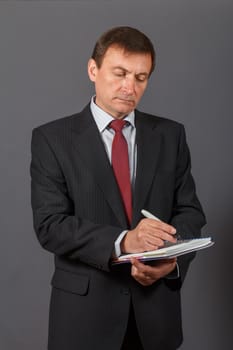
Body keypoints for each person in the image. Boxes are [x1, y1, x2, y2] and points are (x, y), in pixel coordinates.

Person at [30, 26, 206, 350]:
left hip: (155, 320)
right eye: (120, 73)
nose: (130, 87)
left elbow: (189, 210)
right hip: (83, 320)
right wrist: (125, 241)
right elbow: (50, 225)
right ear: (93, 69)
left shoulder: (171, 136)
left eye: (141, 77)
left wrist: (171, 262)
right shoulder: (51, 139)